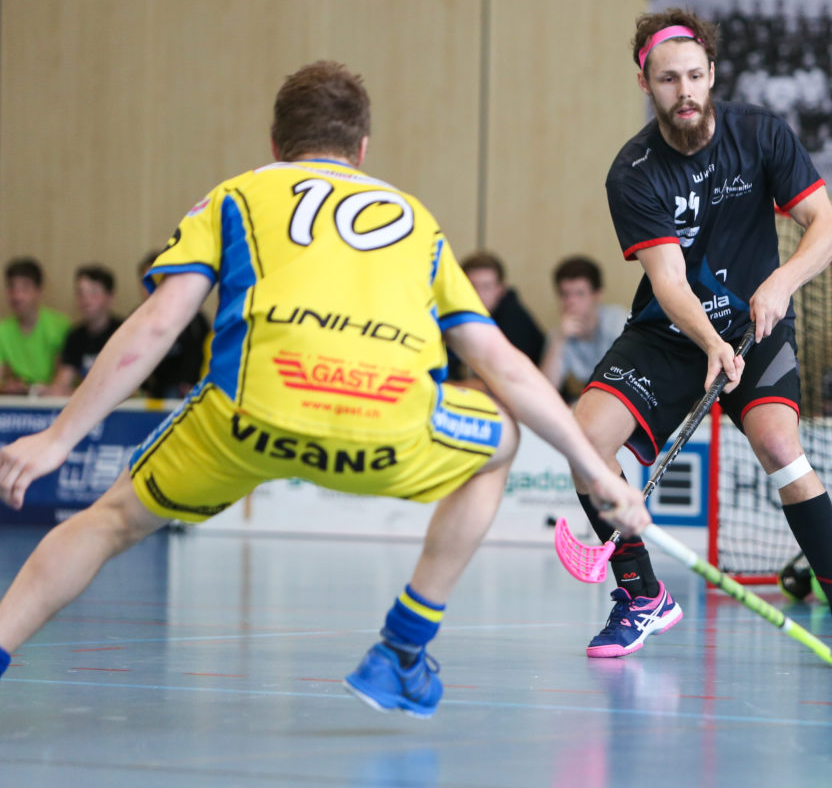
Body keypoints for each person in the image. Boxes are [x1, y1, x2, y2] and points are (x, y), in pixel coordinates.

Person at [0, 60, 649, 718]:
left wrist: (58, 435)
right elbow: (500, 361)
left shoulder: (236, 195)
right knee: (501, 438)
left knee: (107, 521)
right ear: (363, 150)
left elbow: (160, 323)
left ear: (275, 145)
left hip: (247, 418)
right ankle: (403, 647)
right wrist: (595, 469)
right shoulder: (414, 219)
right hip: (388, 425)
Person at [568, 8, 832, 668]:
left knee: (782, 445)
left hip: (758, 320)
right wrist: (710, 345)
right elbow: (667, 282)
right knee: (583, 439)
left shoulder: (760, 133)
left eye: (695, 75)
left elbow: (826, 230)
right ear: (646, 83)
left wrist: (779, 284)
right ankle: (641, 595)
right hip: (671, 333)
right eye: (668, 80)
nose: (684, 90)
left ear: (713, 73)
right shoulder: (633, 171)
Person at [540, 255, 628, 402]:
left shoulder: (619, 321)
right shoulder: (559, 333)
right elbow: (546, 390)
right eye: (564, 294)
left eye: (579, 294)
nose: (571, 301)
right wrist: (559, 341)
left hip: (621, 399)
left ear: (597, 295)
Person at [446, 251, 545, 382]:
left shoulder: (515, 320)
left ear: (501, 289)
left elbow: (507, 381)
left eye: (486, 287)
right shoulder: (454, 314)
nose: (478, 294)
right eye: (472, 286)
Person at [135, 250, 211, 399]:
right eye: (148, 282)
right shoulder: (136, 317)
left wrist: (191, 381)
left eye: (159, 282)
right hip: (151, 388)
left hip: (185, 390)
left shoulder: (194, 317)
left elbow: (202, 354)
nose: (154, 289)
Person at [44, 264, 125, 396]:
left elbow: (129, 386)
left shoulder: (124, 331)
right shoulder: (74, 336)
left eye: (93, 292)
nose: (86, 300)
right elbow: (63, 381)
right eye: (80, 293)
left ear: (111, 297)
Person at [0, 257, 70, 394]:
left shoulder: (60, 326)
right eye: (11, 287)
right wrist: (6, 387)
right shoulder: (3, 330)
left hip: (50, 404)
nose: (17, 295)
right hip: (15, 404)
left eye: (24, 288)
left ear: (39, 290)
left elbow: (63, 380)